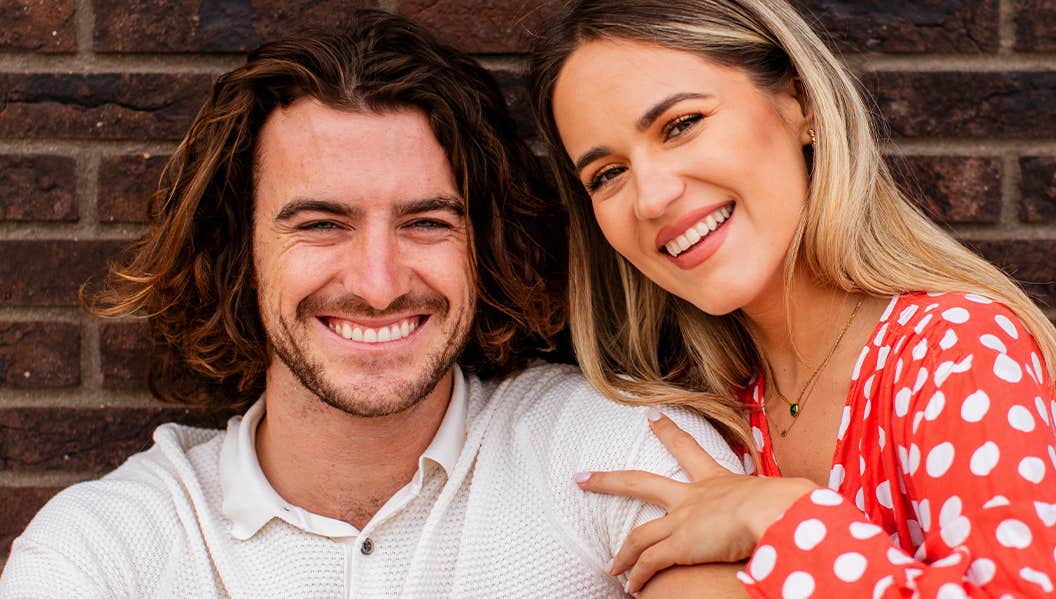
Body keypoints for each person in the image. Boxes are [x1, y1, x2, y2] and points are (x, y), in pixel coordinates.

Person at [0, 11, 747, 598]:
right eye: (323, 223)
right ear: (240, 251)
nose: (381, 280)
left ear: (481, 246)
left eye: (427, 222)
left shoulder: (608, 448)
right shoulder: (102, 548)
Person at [528, 0, 1056, 597]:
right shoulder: (712, 405)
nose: (651, 198)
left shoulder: (957, 351)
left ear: (799, 103)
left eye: (681, 125)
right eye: (606, 174)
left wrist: (781, 516)